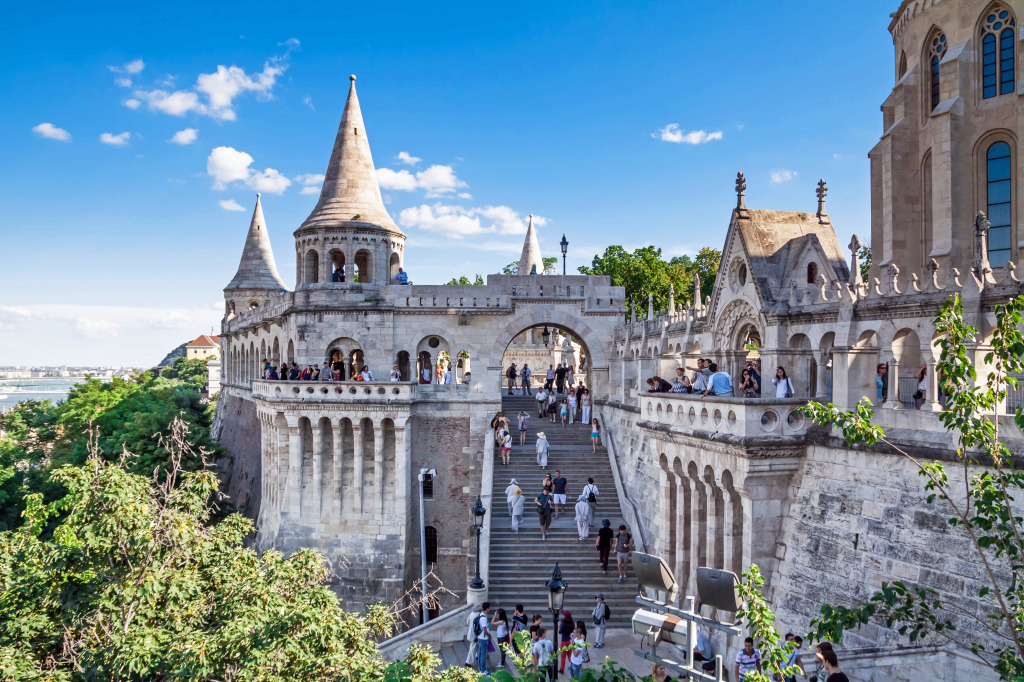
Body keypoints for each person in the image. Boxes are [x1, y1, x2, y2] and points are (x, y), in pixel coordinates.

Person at [464, 603, 483, 668]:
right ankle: (468, 662)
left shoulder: (472, 614)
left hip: (471, 633)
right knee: (472, 648)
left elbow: (468, 621)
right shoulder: (479, 615)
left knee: (474, 646)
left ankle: (476, 656)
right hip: (475, 635)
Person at [476, 602, 492, 674]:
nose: (490, 609)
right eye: (489, 607)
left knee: (480, 653)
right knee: (483, 654)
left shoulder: (481, 615)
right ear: (487, 608)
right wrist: (489, 636)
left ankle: (481, 667)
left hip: (480, 637)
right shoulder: (483, 618)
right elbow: (485, 630)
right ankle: (483, 670)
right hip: (484, 638)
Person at [557, 610, 574, 675]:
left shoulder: (563, 623)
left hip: (564, 641)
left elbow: (560, 632)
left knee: (563, 656)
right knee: (569, 655)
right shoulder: (572, 623)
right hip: (570, 640)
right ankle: (572, 667)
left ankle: (562, 669)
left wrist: (559, 625)